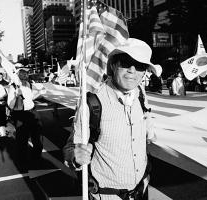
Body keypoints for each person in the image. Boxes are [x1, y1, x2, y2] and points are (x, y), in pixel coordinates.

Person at [63, 38, 160, 200]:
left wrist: (149, 131)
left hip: (142, 189)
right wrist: (75, 156)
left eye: (140, 66)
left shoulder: (141, 95)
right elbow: (71, 147)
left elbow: (145, 128)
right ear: (114, 65)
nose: (132, 70)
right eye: (126, 62)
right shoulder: (92, 102)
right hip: (108, 196)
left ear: (145, 71)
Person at [7, 68, 43, 162]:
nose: (25, 75)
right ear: (18, 75)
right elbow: (10, 105)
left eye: (26, 73)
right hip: (20, 114)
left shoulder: (29, 85)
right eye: (22, 73)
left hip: (32, 112)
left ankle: (36, 157)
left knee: (37, 137)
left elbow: (30, 98)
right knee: (22, 139)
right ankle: (22, 159)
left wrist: (39, 93)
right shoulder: (13, 87)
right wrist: (16, 95)